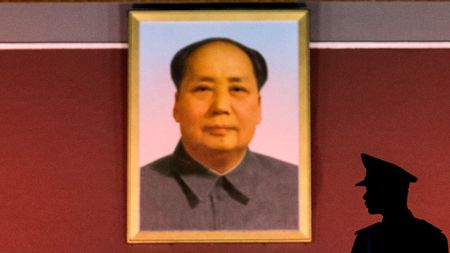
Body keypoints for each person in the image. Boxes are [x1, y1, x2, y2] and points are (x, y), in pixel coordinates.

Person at [140, 38, 298, 231]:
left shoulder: (297, 187)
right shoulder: (137, 189)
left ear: (258, 107)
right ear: (177, 105)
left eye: (237, 89)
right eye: (203, 89)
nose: (221, 106)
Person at [351, 153, 448, 253]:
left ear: (391, 191)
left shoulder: (366, 238)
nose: (365, 196)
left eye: (371, 189)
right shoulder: (433, 236)